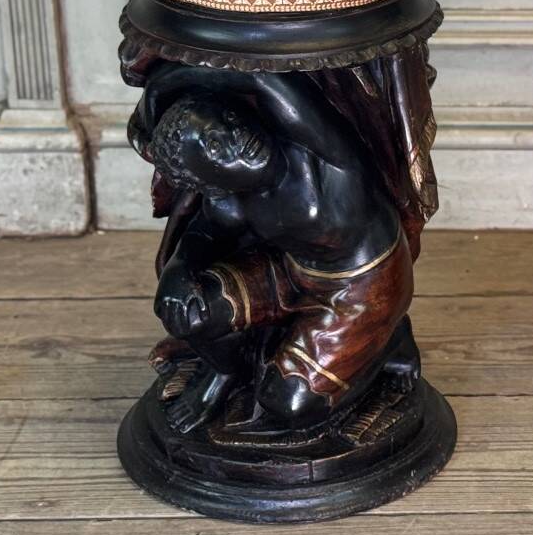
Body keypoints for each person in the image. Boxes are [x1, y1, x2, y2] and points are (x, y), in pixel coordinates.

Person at [133, 65, 417, 435]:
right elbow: (201, 238)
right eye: (217, 147)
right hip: (291, 270)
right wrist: (177, 273)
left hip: (364, 287)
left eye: (230, 119)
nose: (238, 137)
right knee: (188, 310)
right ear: (209, 183)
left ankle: (387, 340)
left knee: (290, 405)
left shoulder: (317, 150)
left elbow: (262, 78)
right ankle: (224, 372)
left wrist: (164, 82)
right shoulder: (231, 201)